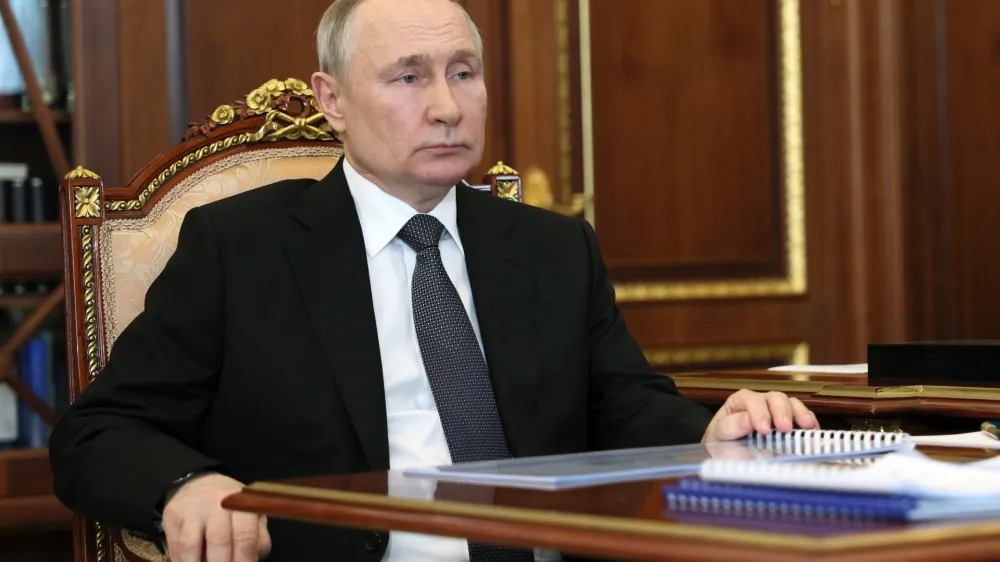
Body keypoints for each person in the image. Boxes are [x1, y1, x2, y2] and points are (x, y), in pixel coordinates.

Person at [48, 0, 820, 561]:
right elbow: (97, 434)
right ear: (332, 101)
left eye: (463, 73)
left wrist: (708, 435)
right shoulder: (241, 250)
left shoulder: (553, 248)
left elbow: (620, 403)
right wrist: (187, 484)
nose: (448, 107)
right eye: (409, 78)